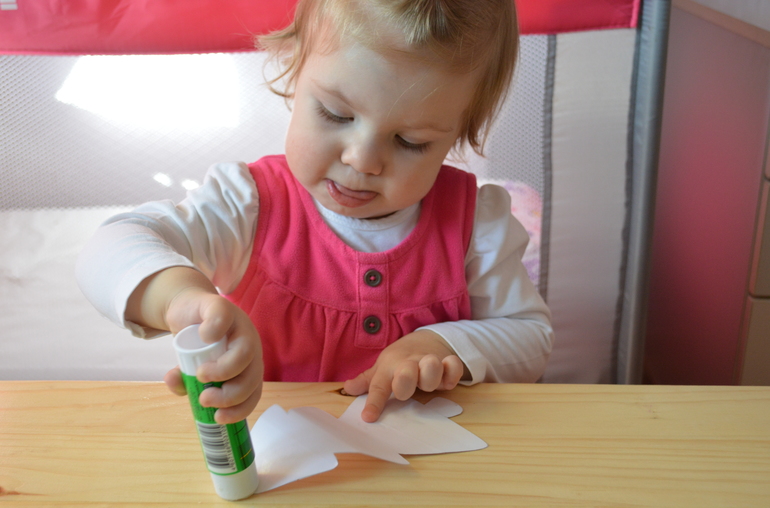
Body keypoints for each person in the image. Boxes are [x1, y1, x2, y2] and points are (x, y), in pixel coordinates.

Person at [76, 0, 553, 425]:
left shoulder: (476, 224)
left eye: (411, 142)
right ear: (293, 67)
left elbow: (530, 337)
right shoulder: (248, 205)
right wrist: (180, 299)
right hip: (276, 463)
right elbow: (112, 245)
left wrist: (445, 345)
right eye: (335, 114)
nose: (362, 161)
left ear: (459, 133)